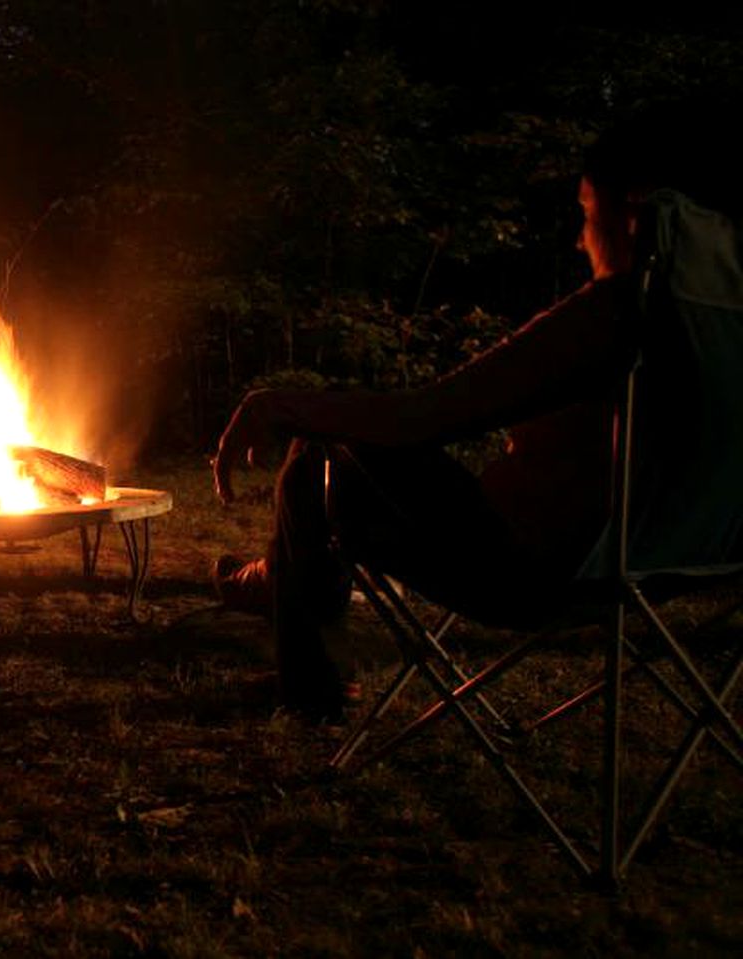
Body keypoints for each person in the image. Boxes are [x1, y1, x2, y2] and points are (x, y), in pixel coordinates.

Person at [210, 103, 730, 720]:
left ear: (637, 212)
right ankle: (275, 578)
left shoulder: (617, 315)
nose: (579, 237)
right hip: (673, 572)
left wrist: (279, 403)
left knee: (314, 453)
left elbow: (424, 416)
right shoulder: (725, 331)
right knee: (328, 475)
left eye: (587, 214)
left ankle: (307, 675)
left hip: (531, 576)